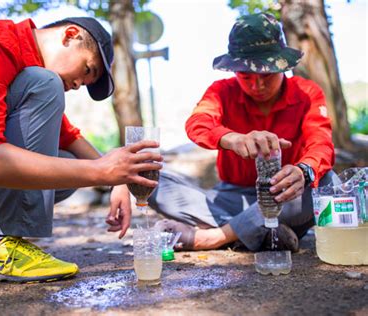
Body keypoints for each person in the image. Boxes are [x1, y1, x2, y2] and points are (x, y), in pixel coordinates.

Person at [0, 16, 162, 283]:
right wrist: (98, 171)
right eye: (87, 70)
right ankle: (0, 246)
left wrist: (118, 182)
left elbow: (66, 137)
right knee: (45, 87)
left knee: (62, 165)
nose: (80, 84)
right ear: (69, 35)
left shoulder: (24, 72)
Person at [111, 13, 336, 253]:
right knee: (155, 183)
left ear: (281, 65)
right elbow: (197, 123)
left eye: (266, 76)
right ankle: (263, 233)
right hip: (231, 197)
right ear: (234, 70)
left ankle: (213, 238)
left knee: (329, 182)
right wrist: (231, 138)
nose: (257, 86)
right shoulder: (221, 91)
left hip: (286, 195)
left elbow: (321, 144)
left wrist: (303, 171)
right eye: (246, 76)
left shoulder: (307, 92)